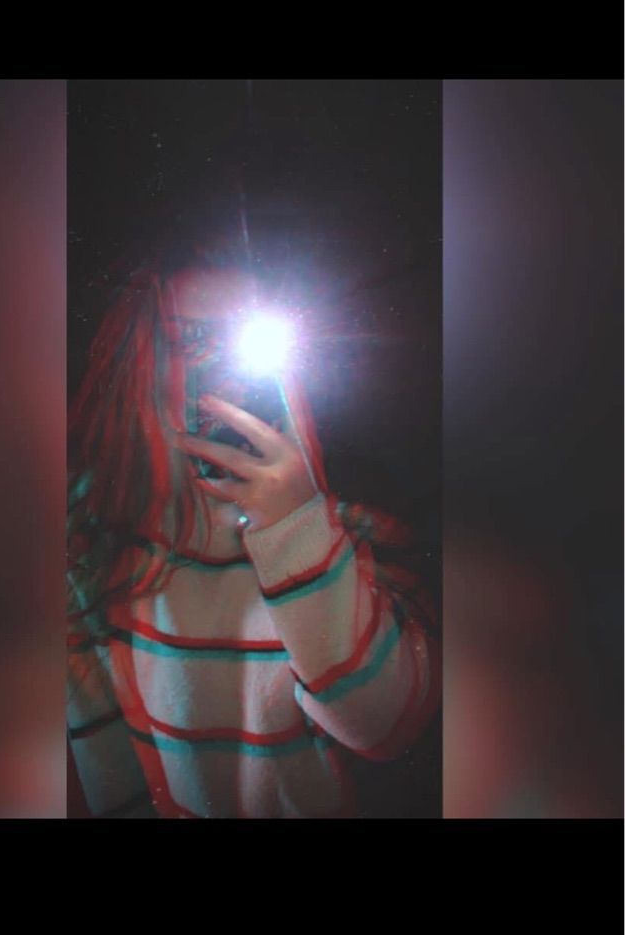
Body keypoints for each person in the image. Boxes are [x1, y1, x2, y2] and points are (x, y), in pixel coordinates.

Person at [67, 235, 440, 819]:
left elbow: (386, 727)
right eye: (191, 339)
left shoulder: (358, 522)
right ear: (139, 358)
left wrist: (294, 524)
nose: (225, 369)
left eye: (246, 336)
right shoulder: (91, 527)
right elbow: (101, 758)